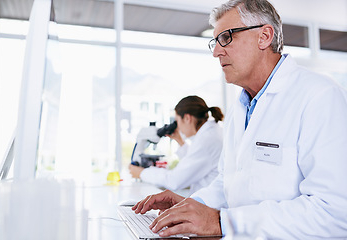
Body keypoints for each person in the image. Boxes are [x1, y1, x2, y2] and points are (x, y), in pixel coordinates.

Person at [131, 0, 347, 239]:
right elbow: (229, 183)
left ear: (264, 36)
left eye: (226, 37)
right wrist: (191, 205)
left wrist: (223, 221)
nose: (216, 52)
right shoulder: (240, 108)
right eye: (215, 41)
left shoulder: (320, 96)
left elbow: (334, 213)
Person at [129, 95, 224, 195]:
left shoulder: (206, 140)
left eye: (177, 121)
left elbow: (173, 180)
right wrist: (179, 140)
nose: (177, 126)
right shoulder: (212, 132)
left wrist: (141, 173)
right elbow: (194, 161)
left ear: (187, 118)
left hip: (209, 205)